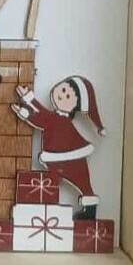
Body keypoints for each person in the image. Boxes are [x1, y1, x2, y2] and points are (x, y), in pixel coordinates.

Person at [11, 75, 105, 219]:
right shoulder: (56, 118)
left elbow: (42, 118)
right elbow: (43, 117)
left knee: (81, 182)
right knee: (76, 183)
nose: (62, 95)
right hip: (57, 160)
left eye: (68, 96)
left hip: (68, 161)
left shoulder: (62, 121)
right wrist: (27, 104)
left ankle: (88, 210)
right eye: (63, 89)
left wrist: (28, 106)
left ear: (74, 107)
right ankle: (56, 202)